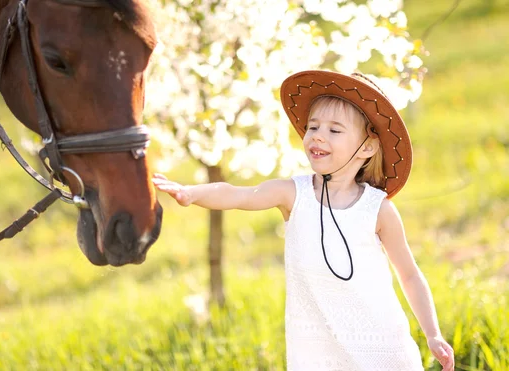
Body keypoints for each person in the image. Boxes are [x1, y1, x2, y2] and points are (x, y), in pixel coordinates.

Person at [152, 70, 455, 371]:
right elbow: (238, 195)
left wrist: (433, 333)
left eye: (335, 130)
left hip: (380, 350)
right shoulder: (293, 194)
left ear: (367, 147)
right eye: (313, 127)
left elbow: (410, 276)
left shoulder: (378, 210)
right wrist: (191, 193)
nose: (318, 135)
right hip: (318, 352)